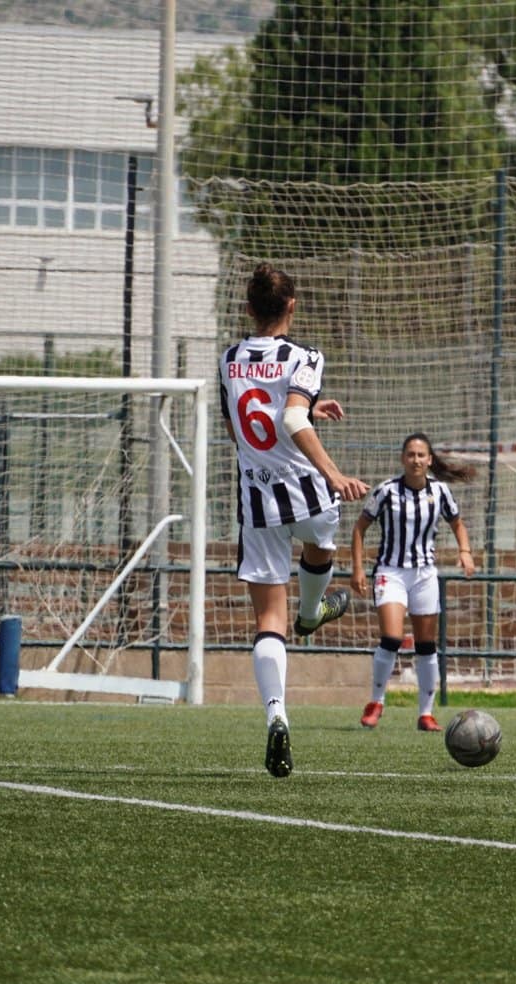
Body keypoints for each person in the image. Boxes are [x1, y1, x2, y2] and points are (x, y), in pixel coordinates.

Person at [220, 263, 369, 778]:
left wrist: (299, 407)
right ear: (292, 306)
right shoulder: (304, 355)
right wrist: (334, 472)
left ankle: (277, 715)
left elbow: (245, 422)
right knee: (320, 551)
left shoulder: (229, 358)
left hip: (257, 501)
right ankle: (312, 614)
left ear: (247, 309)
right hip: (308, 493)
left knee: (267, 621)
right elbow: (288, 417)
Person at [350, 433, 476, 731]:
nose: (416, 460)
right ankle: (376, 701)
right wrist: (357, 568)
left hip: (424, 575)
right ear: (402, 458)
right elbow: (359, 528)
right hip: (390, 572)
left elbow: (457, 522)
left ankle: (426, 713)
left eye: (421, 455)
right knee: (392, 638)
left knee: (426, 645)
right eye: (411, 454)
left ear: (430, 460)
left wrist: (465, 552)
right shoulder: (386, 491)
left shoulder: (441, 492)